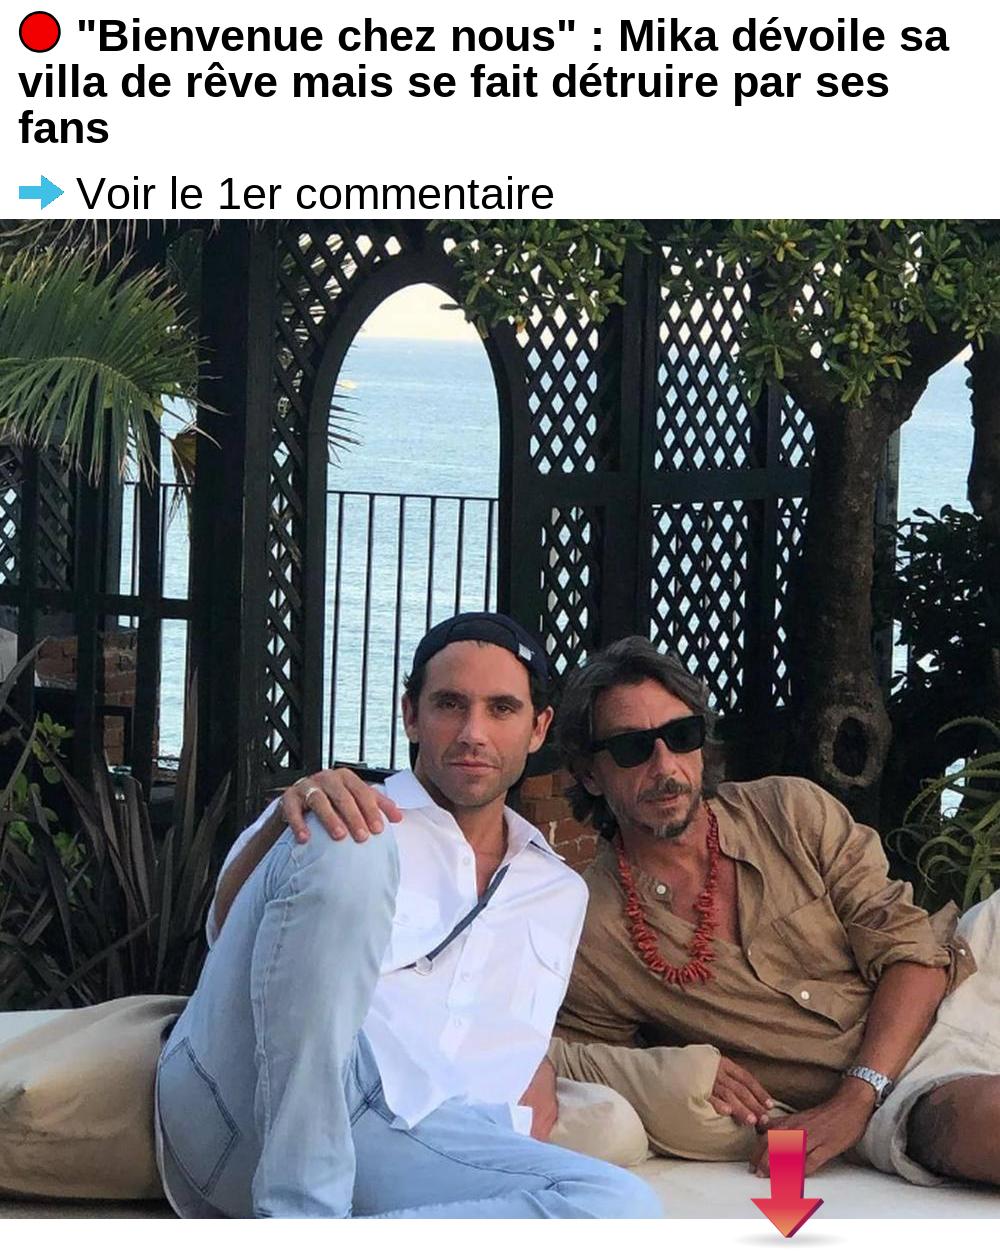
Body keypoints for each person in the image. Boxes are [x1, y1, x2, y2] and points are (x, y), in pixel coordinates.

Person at [154, 613, 661, 1219]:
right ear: (411, 715)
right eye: (450, 704)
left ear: (538, 728)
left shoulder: (557, 890)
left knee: (621, 1208)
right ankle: (300, 1215)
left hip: (397, 1140)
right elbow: (227, 939)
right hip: (246, 1108)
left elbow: (502, 1046)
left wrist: (533, 1080)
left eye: (502, 709)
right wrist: (285, 823)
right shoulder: (343, 814)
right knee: (350, 839)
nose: (473, 733)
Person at [547, 636, 1000, 1189]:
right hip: (921, 1088)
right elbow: (545, 1055)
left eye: (681, 736)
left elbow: (913, 952)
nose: (665, 766)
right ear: (589, 774)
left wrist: (855, 1098)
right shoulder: (593, 931)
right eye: (631, 748)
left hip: (974, 981)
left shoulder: (790, 811)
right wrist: (670, 1070)